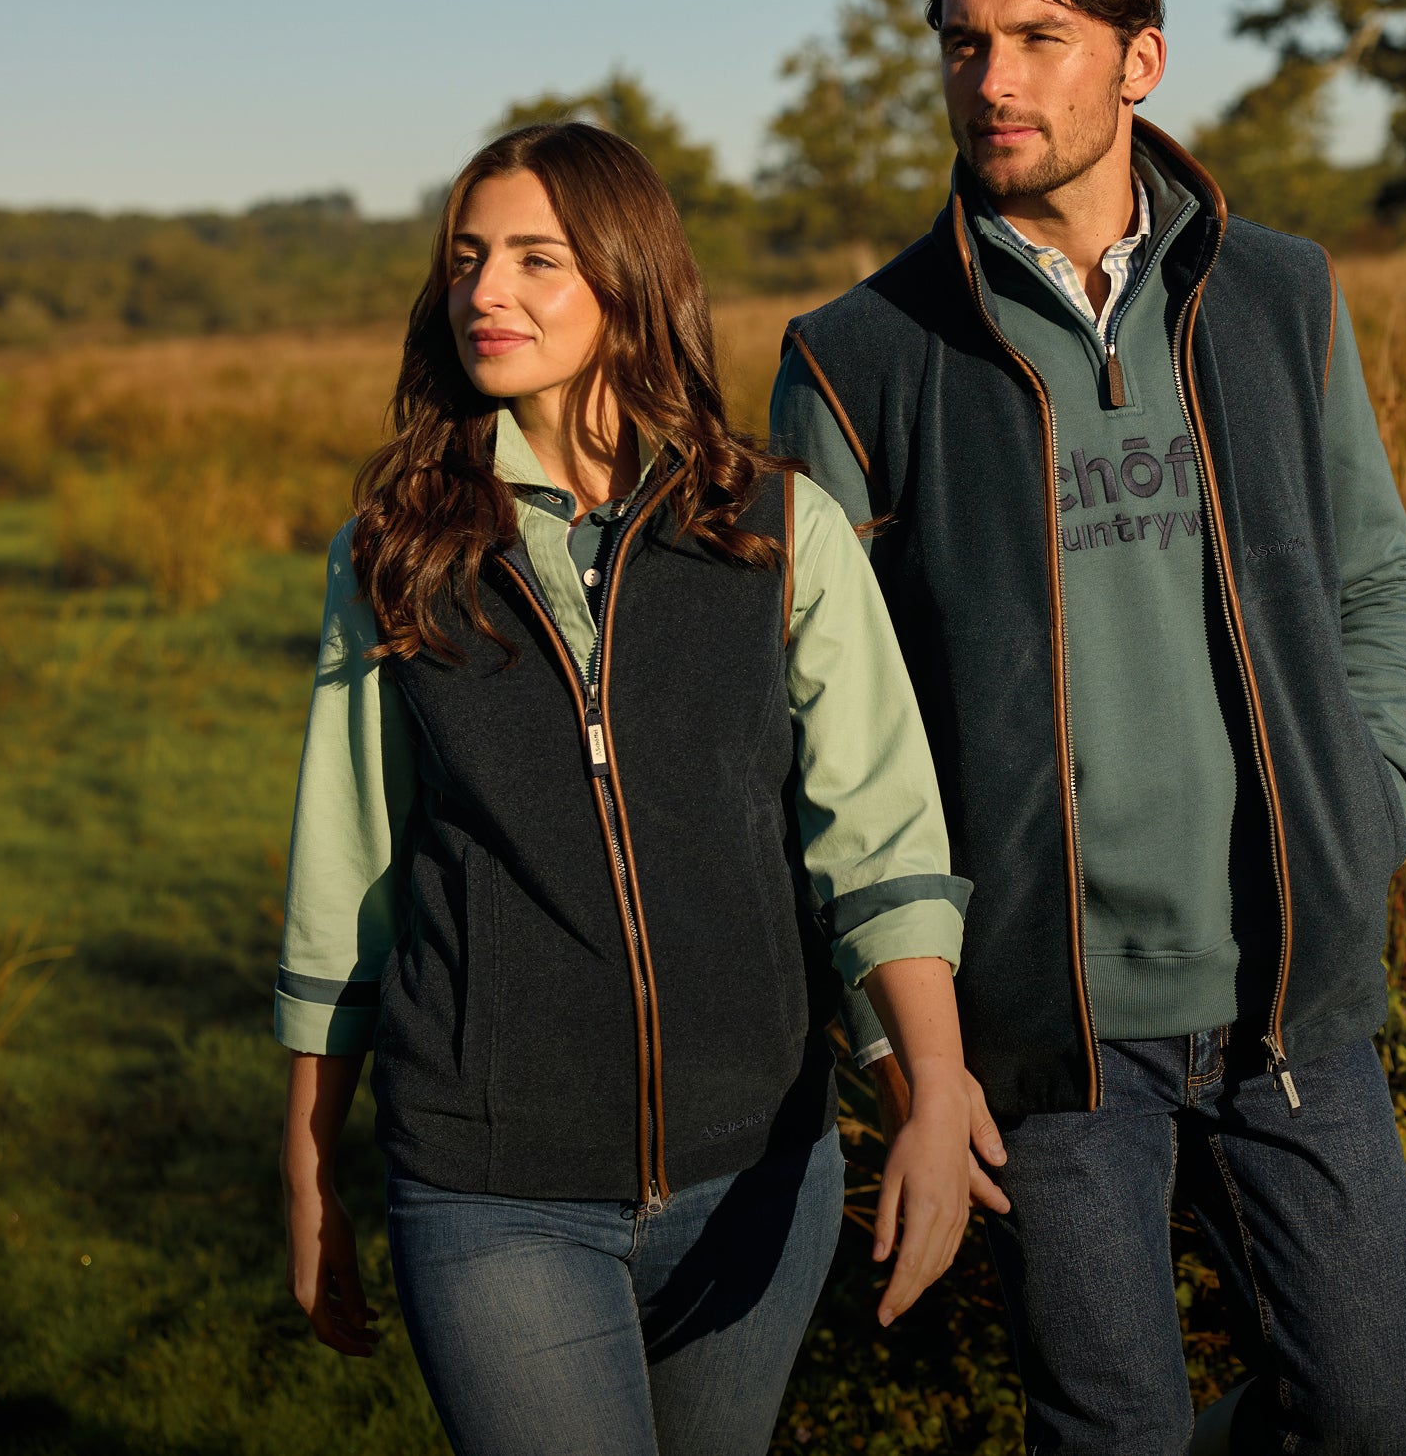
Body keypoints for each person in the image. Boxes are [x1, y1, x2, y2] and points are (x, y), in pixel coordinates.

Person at [770, 0, 1406, 1456]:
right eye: (964, 43)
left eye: (1038, 38)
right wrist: (901, 1038)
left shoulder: (1281, 296)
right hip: (1035, 1029)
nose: (991, 80)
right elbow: (811, 734)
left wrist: (1367, 804)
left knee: (1371, 1415)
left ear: (1140, 59)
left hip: (1288, 991)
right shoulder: (855, 358)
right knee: (1110, 1433)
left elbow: (1373, 577)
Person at [275, 121, 1002, 1456]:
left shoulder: (781, 531)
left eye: (535, 259)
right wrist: (310, 1164)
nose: (484, 291)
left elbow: (878, 839)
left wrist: (931, 1080)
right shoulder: (394, 555)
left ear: (629, 278)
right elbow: (347, 877)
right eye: (466, 259)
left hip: (758, 1172)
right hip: (495, 1184)